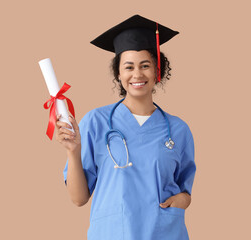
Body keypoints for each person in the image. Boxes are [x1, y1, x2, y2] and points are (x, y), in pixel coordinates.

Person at [56, 15, 196, 240]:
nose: (137, 74)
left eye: (145, 65)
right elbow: (78, 199)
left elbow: (185, 190)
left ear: (157, 71)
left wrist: (183, 200)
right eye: (129, 67)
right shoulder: (96, 122)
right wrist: (72, 151)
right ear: (119, 74)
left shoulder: (178, 130)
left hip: (164, 233)